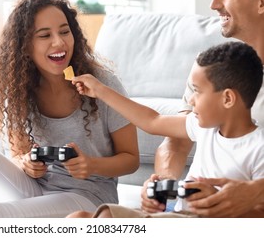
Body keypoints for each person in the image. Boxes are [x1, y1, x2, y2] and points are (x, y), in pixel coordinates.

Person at [0, 0, 139, 217]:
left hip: (87, 196)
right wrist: (26, 164)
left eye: (65, 31)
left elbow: (131, 159)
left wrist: (92, 165)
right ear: (26, 46)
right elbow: (18, 154)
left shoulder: (101, 84)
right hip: (36, 188)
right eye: (45, 35)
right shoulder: (20, 89)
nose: (59, 42)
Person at [68, 41, 264, 218]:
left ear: (227, 99)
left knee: (103, 219)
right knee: (77, 219)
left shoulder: (258, 148)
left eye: (197, 91)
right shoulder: (203, 128)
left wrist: (218, 204)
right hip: (176, 217)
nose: (191, 100)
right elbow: (152, 121)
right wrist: (99, 90)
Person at [151, 0, 264, 217]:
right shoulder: (214, 65)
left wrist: (257, 190)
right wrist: (165, 185)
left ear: (261, 2)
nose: (214, 5)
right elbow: (176, 142)